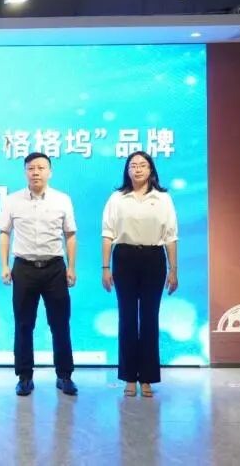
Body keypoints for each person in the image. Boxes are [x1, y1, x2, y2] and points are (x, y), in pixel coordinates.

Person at [0, 152, 78, 397]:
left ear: (49, 172)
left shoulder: (62, 200)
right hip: (23, 268)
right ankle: (24, 377)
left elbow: (70, 235)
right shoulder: (12, 200)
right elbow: (4, 233)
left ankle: (64, 376)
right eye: (31, 168)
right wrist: (4, 266)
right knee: (23, 325)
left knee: (60, 323)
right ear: (25, 172)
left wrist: (71, 267)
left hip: (55, 268)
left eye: (41, 168)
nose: (36, 172)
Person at [101, 151, 178, 398]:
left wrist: (173, 269)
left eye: (143, 165)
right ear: (127, 170)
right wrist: (105, 268)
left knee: (149, 318)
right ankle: (128, 378)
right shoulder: (117, 198)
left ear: (151, 169)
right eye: (133, 165)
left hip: (154, 258)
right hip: (124, 258)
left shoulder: (163, 198)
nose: (137, 169)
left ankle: (147, 378)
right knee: (126, 318)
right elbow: (107, 234)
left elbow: (171, 236)